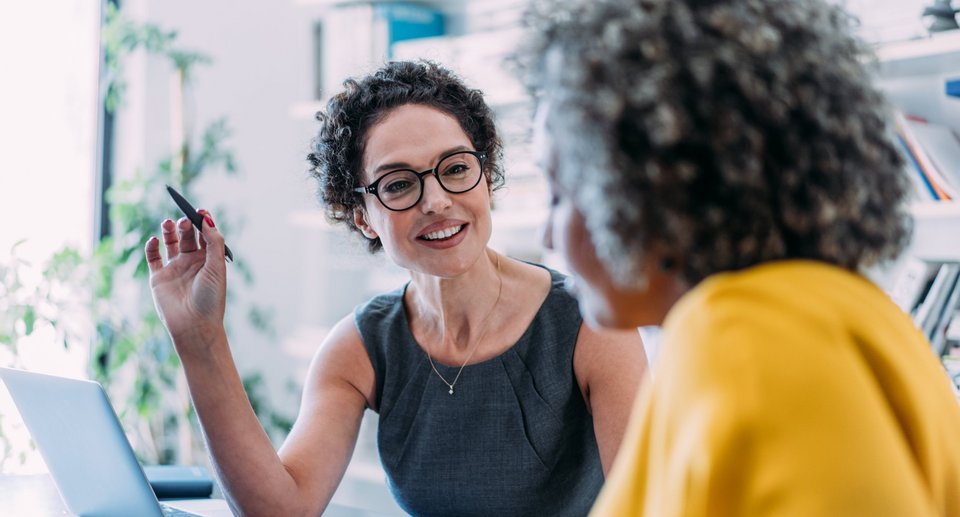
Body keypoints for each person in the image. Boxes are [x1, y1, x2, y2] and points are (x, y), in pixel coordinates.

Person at [144, 60, 646, 516]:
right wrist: (199, 339)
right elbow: (279, 511)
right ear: (362, 216)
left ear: (487, 177)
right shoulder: (359, 347)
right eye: (399, 184)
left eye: (455, 169)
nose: (436, 201)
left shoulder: (592, 323)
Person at [516, 0, 960, 515]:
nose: (548, 231)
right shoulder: (851, 311)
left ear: (652, 182)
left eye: (558, 191)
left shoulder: (744, 336)